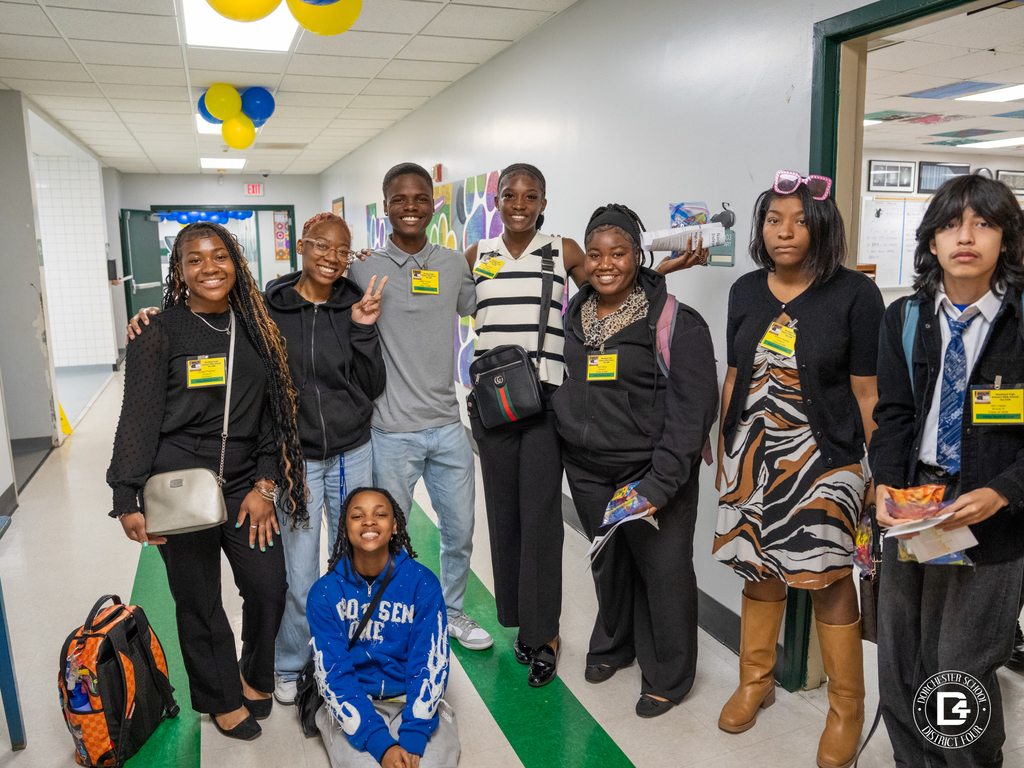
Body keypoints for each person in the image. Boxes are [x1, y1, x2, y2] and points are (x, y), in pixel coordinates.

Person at [126, 213, 390, 706]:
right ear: (301, 247)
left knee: (321, 572)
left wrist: (364, 330)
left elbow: (359, 387)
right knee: (275, 579)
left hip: (317, 457)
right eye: (320, 246)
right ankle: (276, 670)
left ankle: (331, 659)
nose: (331, 257)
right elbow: (141, 415)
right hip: (268, 464)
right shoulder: (266, 308)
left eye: (343, 250)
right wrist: (126, 493)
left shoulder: (336, 307)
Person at [463, 163, 709, 686]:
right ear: (498, 198)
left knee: (545, 527)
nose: (519, 203)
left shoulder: (564, 251)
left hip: (549, 414)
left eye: (531, 195)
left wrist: (660, 274)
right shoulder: (476, 258)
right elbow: (449, 307)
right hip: (504, 416)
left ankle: (553, 635)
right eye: (510, 194)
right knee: (520, 531)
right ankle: (549, 632)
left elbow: (615, 291)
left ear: (545, 202)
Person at [107, 222, 307, 740]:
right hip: (177, 483)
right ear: (179, 271)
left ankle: (256, 675)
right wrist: (126, 495)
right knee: (199, 600)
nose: (209, 267)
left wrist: (266, 486)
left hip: (244, 480)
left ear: (236, 263)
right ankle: (220, 696)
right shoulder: (160, 330)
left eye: (219, 256)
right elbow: (138, 416)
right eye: (194, 260)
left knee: (268, 586)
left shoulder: (257, 326)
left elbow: (274, 417)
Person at [713, 172, 883, 768]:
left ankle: (845, 710)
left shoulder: (855, 296)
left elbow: (868, 394)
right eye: (773, 219)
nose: (785, 231)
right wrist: (723, 445)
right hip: (751, 456)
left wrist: (876, 473)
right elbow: (735, 375)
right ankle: (755, 681)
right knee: (757, 567)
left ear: (822, 228)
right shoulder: (744, 290)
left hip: (824, 460)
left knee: (831, 579)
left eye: (800, 220)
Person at [870, 173, 1024, 768]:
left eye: (984, 223)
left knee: (961, 667)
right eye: (951, 224)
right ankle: (915, 761)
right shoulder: (904, 318)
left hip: (994, 511)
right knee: (903, 659)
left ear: (1005, 241)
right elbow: (894, 415)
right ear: (931, 240)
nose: (966, 237)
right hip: (919, 502)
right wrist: (885, 483)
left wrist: (1002, 492)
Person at [552, 203, 718, 717]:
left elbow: (694, 412)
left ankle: (669, 673)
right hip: (588, 470)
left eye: (619, 252)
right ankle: (615, 643)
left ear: (637, 254)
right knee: (610, 567)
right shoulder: (572, 315)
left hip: (651, 473)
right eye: (596, 253)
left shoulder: (674, 321)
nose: (606, 264)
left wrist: (660, 484)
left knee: (664, 572)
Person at [349, 162, 491, 651]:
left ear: (433, 204)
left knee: (460, 532)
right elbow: (311, 301)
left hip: (448, 426)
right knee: (384, 534)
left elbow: (483, 307)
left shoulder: (452, 264)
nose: (410, 207)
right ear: (385, 206)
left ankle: (451, 611)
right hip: (389, 431)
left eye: (420, 198)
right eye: (399, 199)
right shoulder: (361, 265)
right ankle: (389, 614)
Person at [308, 487, 459, 768]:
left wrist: (413, 735)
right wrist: (381, 745)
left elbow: (429, 662)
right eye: (357, 516)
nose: (369, 521)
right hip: (353, 699)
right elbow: (334, 674)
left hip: (411, 698)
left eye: (380, 514)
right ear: (344, 528)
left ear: (394, 526)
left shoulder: (422, 583)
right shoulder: (324, 593)